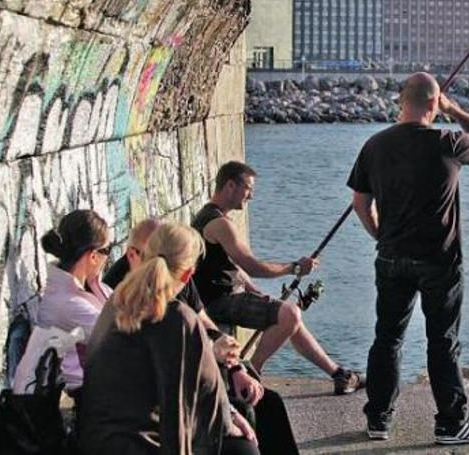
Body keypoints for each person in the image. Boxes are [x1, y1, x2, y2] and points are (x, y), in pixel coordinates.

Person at [348, 72, 469, 445]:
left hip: (391, 258)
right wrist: (454, 110)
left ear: (402, 101)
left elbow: (360, 203)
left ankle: (379, 420)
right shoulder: (448, 141)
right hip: (440, 261)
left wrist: (381, 235)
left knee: (387, 338)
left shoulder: (375, 145)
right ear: (433, 104)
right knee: (442, 341)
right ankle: (451, 423)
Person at [104, 219, 298, 455]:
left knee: (266, 402)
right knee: (244, 443)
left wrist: (235, 368)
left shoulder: (156, 295)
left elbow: (204, 327)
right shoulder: (139, 301)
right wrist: (229, 416)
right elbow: (172, 381)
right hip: (151, 420)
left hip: (174, 403)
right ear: (132, 255)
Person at [192, 161, 363, 395]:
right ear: (230, 185)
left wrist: (251, 289)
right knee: (290, 313)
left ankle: (338, 375)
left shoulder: (209, 217)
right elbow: (252, 266)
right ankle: (253, 371)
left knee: (291, 318)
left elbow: (230, 266)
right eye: (248, 188)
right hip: (219, 302)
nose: (251, 196)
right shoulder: (219, 224)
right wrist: (293, 268)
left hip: (227, 295)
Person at [104, 218, 263, 406]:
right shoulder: (118, 292)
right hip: (152, 405)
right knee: (248, 411)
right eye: (152, 258)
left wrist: (235, 367)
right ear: (131, 255)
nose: (158, 268)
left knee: (260, 395)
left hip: (181, 391)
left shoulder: (178, 283)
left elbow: (204, 321)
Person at [38, 209, 113, 399]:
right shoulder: (68, 303)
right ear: (93, 256)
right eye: (107, 250)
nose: (108, 258)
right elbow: (121, 338)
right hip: (90, 400)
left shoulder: (84, 288)